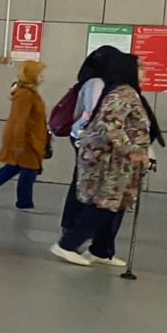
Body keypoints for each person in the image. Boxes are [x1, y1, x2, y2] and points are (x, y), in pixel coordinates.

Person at [51, 52, 163, 267]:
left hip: (122, 163)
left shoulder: (129, 93)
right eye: (140, 68)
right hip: (111, 162)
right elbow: (109, 124)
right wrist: (132, 150)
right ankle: (67, 245)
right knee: (103, 205)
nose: (144, 72)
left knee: (116, 206)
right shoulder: (123, 93)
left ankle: (100, 250)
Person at [60, 45, 122, 233]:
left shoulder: (89, 81)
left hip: (81, 134)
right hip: (87, 136)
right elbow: (95, 112)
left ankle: (71, 223)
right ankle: (74, 224)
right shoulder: (97, 83)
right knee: (84, 180)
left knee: (81, 178)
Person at [0, 60, 49, 211]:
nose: (43, 77)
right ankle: (24, 203)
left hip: (29, 139)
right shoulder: (26, 95)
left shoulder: (27, 93)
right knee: (29, 169)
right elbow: (19, 120)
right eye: (40, 74)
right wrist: (19, 143)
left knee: (13, 168)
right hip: (27, 140)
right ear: (32, 75)